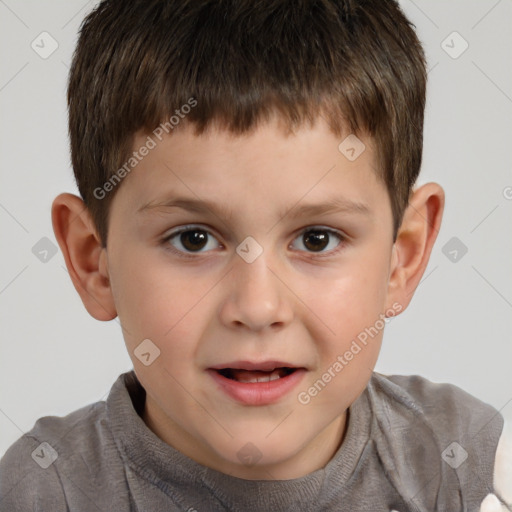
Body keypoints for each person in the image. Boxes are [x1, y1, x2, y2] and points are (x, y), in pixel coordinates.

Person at [1, 1, 510, 510]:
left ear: (403, 256)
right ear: (95, 261)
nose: (259, 307)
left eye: (316, 239)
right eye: (193, 239)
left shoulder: (469, 469)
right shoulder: (40, 492)